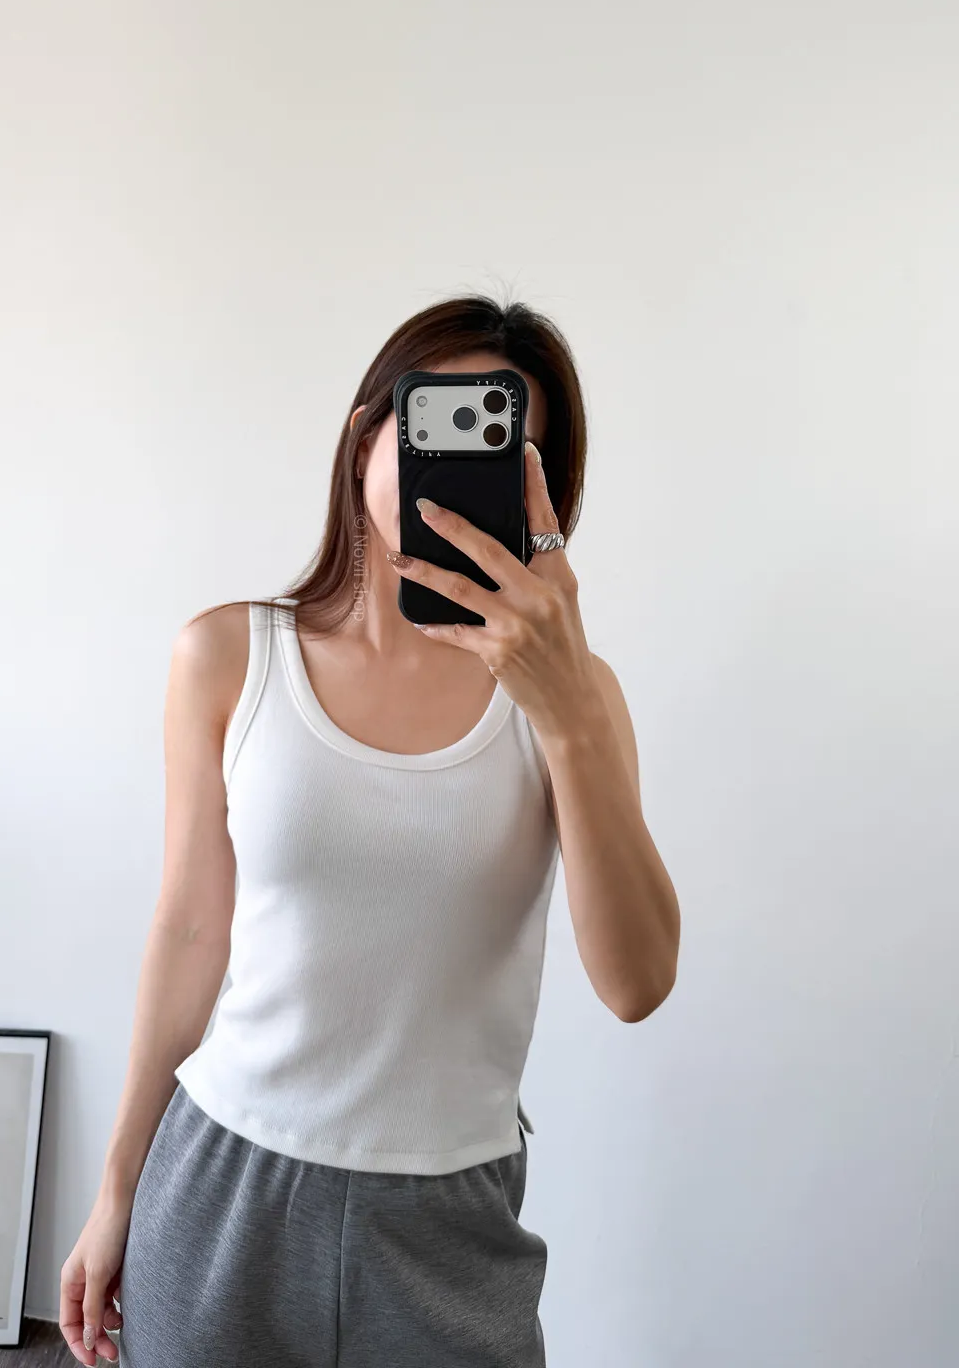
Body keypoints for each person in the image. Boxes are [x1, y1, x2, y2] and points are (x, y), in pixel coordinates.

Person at [60, 294, 681, 1367]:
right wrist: (114, 1189)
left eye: (507, 447)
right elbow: (190, 932)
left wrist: (567, 710)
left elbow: (637, 984)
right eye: (440, 424)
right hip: (223, 1182)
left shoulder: (576, 699)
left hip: (451, 1211)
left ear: (545, 492)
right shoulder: (228, 657)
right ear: (364, 442)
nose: (468, 465)